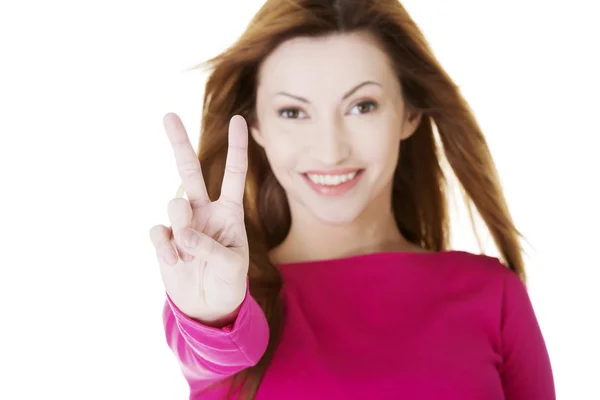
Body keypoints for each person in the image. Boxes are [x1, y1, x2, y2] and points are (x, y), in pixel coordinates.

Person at [149, 0, 555, 398]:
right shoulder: (226, 299)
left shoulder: (493, 296)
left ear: (409, 113)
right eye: (292, 112)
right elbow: (219, 350)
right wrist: (213, 319)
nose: (331, 151)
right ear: (256, 124)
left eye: (362, 106)